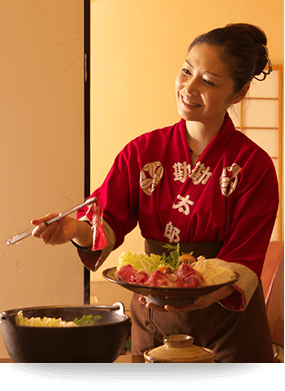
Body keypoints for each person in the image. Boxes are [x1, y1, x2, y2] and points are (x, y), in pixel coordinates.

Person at [32, 23, 279, 363]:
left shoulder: (254, 165)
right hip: (154, 320)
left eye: (207, 81)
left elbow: (245, 260)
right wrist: (75, 230)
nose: (188, 88)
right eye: (186, 71)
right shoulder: (143, 151)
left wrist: (198, 293)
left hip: (226, 323)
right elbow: (106, 220)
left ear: (238, 94)